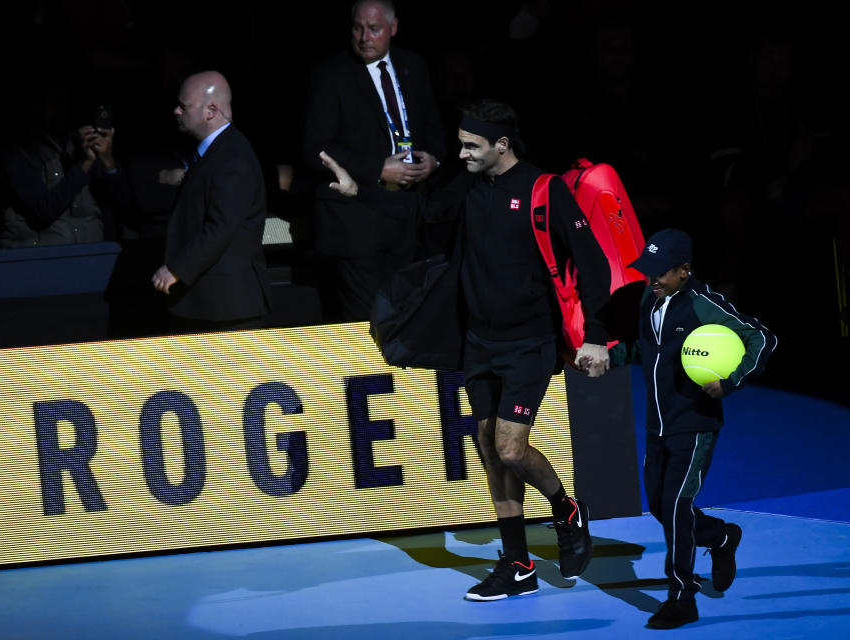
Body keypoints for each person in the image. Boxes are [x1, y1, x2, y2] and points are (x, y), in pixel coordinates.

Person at [321, 98, 613, 601]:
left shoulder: (547, 191)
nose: (461, 154)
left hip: (529, 343)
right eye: (460, 144)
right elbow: (419, 209)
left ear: (502, 145)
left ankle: (566, 510)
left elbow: (593, 265)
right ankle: (518, 563)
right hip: (478, 343)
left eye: (471, 145)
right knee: (489, 447)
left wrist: (596, 336)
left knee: (509, 447)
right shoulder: (471, 187)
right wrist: (359, 192)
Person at [626, 228, 777, 629]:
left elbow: (762, 337)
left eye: (659, 273)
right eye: (647, 271)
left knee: (675, 507)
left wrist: (729, 382)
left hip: (695, 424)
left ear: (683, 270)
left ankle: (681, 598)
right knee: (661, 506)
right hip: (657, 424)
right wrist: (612, 355)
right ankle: (722, 537)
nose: (651, 279)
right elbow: (645, 348)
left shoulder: (702, 303)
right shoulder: (650, 299)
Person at [303, 0, 447, 321]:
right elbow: (315, 147)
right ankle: (370, 374)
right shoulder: (332, 74)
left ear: (393, 28)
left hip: (410, 217)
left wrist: (433, 161)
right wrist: (378, 168)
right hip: (358, 221)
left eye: (374, 29)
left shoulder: (414, 67)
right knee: (367, 322)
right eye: (357, 28)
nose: (364, 37)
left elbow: (435, 128)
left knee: (410, 317)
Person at [151, 70, 271, 332]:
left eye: (185, 106)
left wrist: (177, 269)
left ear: (211, 111)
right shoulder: (217, 153)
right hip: (212, 305)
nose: (176, 111)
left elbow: (222, 226)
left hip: (227, 309)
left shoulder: (232, 158)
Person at [0, 82, 131, 248]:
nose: (61, 110)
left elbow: (124, 206)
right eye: (53, 102)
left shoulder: (83, 146)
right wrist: (84, 164)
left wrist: (108, 160)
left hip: (90, 258)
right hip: (38, 260)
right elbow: (42, 211)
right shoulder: (18, 154)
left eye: (64, 101)